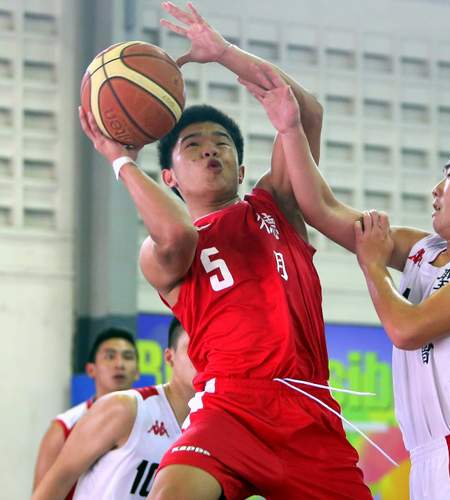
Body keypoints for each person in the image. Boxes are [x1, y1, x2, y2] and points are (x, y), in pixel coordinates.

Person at [79, 3, 371, 499]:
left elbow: (307, 113)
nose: (210, 149)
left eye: (221, 144)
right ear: (168, 177)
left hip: (309, 411)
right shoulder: (161, 253)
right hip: (230, 407)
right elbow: (177, 235)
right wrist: (120, 162)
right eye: (192, 146)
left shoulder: (274, 202)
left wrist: (224, 53)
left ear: (239, 170)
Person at [242, 66, 450, 499]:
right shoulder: (423, 249)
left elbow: (407, 330)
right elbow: (319, 207)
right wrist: (290, 129)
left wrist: (373, 266)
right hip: (426, 460)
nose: (436, 188)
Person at [32, 319, 196, 500]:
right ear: (169, 357)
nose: (119, 364)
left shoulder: (217, 427)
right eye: (193, 347)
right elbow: (52, 486)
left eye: (127, 357)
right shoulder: (121, 408)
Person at [32, 328, 139, 498]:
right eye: (110, 356)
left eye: (127, 357)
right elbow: (42, 493)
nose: (120, 364)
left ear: (137, 372)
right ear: (91, 370)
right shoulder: (64, 427)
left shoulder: (154, 421)